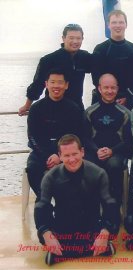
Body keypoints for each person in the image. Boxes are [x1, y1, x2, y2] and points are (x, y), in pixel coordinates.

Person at [34, 134, 120, 265]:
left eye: (75, 154)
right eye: (67, 156)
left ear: (82, 152)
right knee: (43, 233)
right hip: (63, 229)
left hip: (91, 227)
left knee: (111, 228)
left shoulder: (98, 173)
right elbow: (42, 205)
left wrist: (105, 232)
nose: (72, 159)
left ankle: (65, 253)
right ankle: (96, 249)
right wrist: (47, 233)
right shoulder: (50, 177)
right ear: (60, 156)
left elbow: (110, 204)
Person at [26, 68, 84, 200]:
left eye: (60, 82)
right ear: (46, 84)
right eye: (52, 82)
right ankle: (43, 199)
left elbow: (76, 136)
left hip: (66, 152)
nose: (56, 86)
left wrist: (60, 156)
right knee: (33, 168)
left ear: (66, 85)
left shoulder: (73, 109)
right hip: (41, 151)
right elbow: (32, 137)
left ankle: (65, 202)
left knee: (76, 169)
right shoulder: (36, 108)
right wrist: (47, 154)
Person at [84, 73, 133, 208]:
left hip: (117, 152)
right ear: (99, 89)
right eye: (106, 88)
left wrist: (112, 151)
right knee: (88, 166)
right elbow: (85, 138)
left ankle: (114, 208)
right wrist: (96, 150)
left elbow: (129, 141)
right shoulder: (90, 112)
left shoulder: (125, 113)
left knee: (114, 165)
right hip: (95, 151)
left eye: (113, 88)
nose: (109, 91)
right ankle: (91, 208)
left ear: (117, 89)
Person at [19, 24, 91, 114]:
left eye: (78, 38)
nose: (75, 41)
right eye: (71, 38)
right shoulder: (49, 60)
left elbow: (100, 72)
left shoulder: (84, 57)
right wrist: (27, 105)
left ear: (82, 39)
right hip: (51, 108)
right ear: (63, 38)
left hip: (76, 107)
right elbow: (38, 84)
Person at [92, 10, 133, 110]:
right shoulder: (100, 49)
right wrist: (110, 97)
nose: (118, 25)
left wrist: (127, 97)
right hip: (104, 100)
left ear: (126, 25)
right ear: (108, 25)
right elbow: (96, 79)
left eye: (121, 22)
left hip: (128, 101)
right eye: (114, 22)